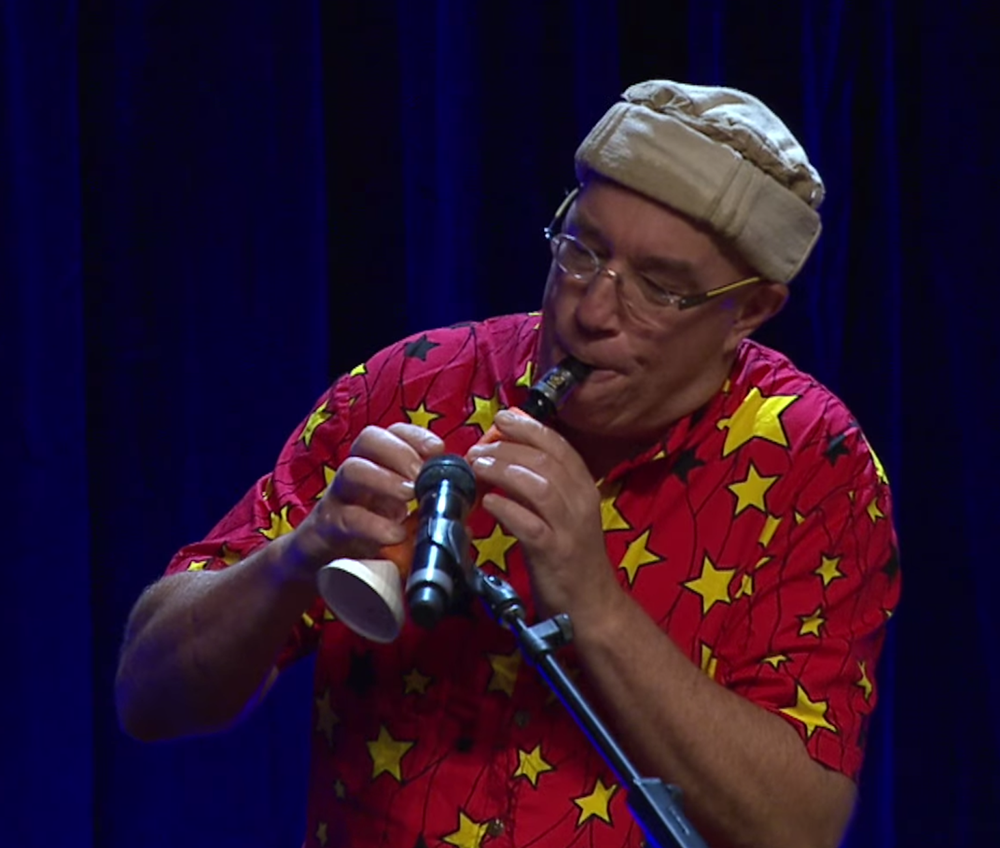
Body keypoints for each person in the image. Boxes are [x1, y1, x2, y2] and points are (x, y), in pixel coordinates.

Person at [116, 79, 900, 848]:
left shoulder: (813, 461)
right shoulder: (414, 384)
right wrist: (297, 556)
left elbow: (797, 829)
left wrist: (593, 603)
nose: (590, 311)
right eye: (582, 250)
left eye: (660, 289)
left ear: (751, 310)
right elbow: (146, 697)